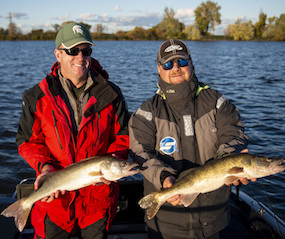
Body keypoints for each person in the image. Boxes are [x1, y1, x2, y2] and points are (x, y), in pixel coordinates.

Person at [129, 39, 255, 239]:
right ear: (159, 69)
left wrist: (231, 159)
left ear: (191, 64)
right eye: (168, 64)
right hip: (166, 223)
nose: (176, 68)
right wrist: (164, 178)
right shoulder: (145, 113)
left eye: (182, 62)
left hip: (213, 219)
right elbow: (140, 153)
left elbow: (234, 134)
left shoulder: (218, 103)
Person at [16, 22, 130, 239]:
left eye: (86, 51)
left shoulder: (111, 94)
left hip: (98, 199)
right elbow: (27, 142)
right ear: (58, 54)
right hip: (55, 200)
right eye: (72, 50)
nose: (80, 57)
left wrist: (114, 162)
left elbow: (123, 136)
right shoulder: (36, 96)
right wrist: (45, 168)